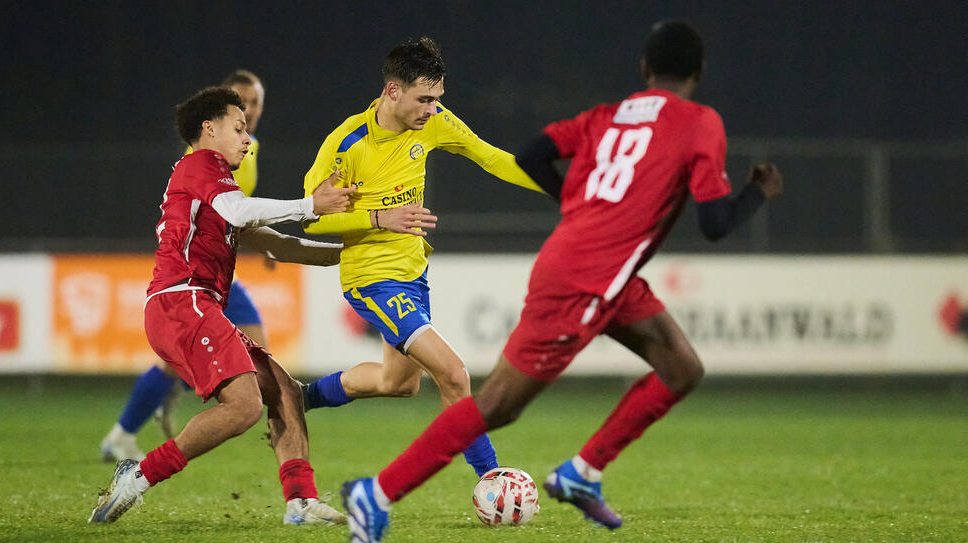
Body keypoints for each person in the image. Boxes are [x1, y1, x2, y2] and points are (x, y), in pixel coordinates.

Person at [341, 20, 785, 542]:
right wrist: (758, 193)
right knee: (496, 407)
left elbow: (533, 153)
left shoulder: (609, 115)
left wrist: (573, 201)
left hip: (608, 272)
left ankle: (581, 474)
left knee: (681, 367)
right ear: (700, 72)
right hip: (584, 278)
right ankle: (376, 495)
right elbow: (713, 225)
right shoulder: (699, 122)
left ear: (645, 70)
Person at [89, 86, 358, 525]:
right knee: (245, 406)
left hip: (197, 304)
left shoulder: (213, 187)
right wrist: (311, 204)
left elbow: (279, 247)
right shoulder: (200, 166)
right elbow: (240, 212)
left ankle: (300, 502)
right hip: (183, 300)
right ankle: (136, 477)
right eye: (239, 127)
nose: (247, 138)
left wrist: (352, 253)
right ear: (208, 129)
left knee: (285, 391)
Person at [298, 37, 546, 479]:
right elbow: (312, 222)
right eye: (424, 99)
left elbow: (490, 158)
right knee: (453, 374)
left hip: (413, 272)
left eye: (438, 99)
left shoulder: (432, 122)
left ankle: (298, 399)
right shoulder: (346, 146)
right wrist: (380, 218)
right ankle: (492, 481)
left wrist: (563, 188)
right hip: (371, 278)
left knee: (398, 383)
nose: (433, 109)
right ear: (393, 91)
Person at [99, 70, 272, 462]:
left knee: (184, 361)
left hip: (217, 270)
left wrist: (260, 242)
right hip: (194, 274)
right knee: (262, 358)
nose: (251, 110)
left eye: (256, 102)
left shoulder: (249, 147)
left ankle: (125, 431)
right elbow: (213, 209)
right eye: (242, 102)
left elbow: (235, 214)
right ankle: (288, 463)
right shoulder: (203, 157)